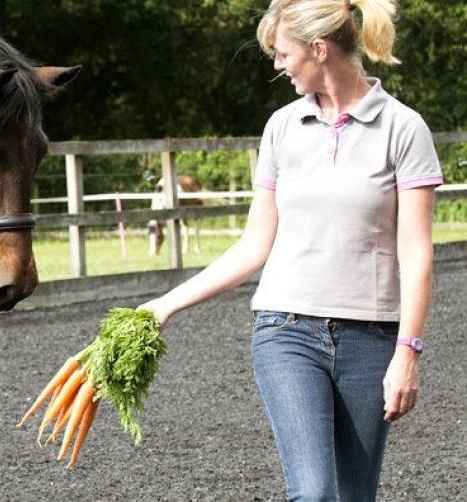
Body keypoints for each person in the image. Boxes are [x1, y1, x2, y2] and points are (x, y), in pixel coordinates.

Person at [138, 0, 442, 499]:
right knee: (315, 493)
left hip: (372, 338)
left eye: (282, 53)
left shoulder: (403, 128)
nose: (277, 65)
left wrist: (407, 353)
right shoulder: (281, 127)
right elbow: (255, 244)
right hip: (286, 332)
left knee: (353, 494)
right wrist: (166, 304)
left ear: (319, 49)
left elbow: (416, 253)